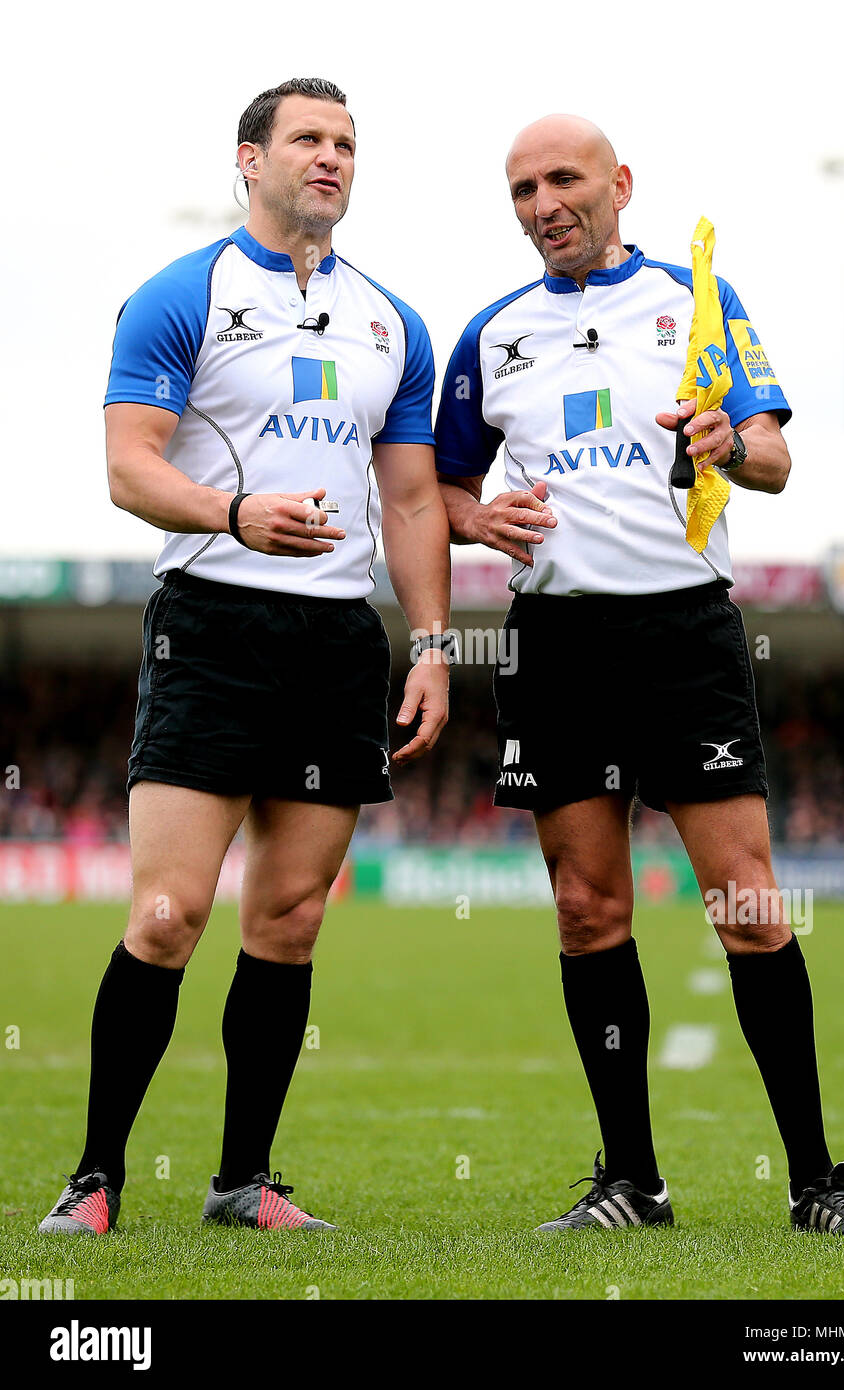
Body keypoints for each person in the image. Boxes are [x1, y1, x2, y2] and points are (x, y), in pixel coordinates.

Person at [434, 113, 844, 1238]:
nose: (543, 203)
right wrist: (473, 514)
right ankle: (630, 1182)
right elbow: (436, 489)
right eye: (521, 189)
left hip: (683, 633)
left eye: (563, 179)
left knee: (745, 900)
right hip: (553, 646)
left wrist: (725, 445)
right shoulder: (489, 335)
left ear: (620, 184)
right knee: (588, 909)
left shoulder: (699, 301)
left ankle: (815, 1182)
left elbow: (776, 456)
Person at [40, 76, 454, 1236]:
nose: (330, 159)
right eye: (308, 140)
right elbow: (130, 467)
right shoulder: (183, 295)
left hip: (335, 641)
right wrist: (233, 513)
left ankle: (242, 1181)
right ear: (250, 158)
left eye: (347, 144)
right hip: (213, 619)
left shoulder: (393, 322)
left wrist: (429, 644)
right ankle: (93, 1177)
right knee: (169, 913)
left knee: (288, 922)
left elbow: (413, 500)